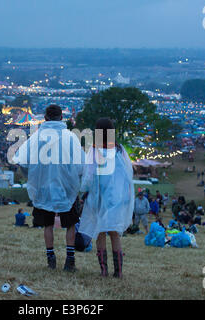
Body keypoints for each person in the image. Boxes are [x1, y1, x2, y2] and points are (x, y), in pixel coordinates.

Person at [12, 104, 84, 272]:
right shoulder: (70, 137)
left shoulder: (36, 137)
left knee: (48, 225)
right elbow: (81, 164)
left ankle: (51, 259)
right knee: (71, 223)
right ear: (61, 117)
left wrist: (32, 176)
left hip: (43, 186)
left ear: (45, 118)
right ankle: (70, 260)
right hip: (66, 187)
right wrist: (75, 181)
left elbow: (21, 160)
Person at [79, 118, 134, 279]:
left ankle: (104, 270)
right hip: (117, 197)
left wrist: (83, 191)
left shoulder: (95, 150)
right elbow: (128, 173)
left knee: (100, 231)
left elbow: (88, 176)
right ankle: (118, 271)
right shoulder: (120, 149)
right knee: (115, 232)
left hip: (99, 197)